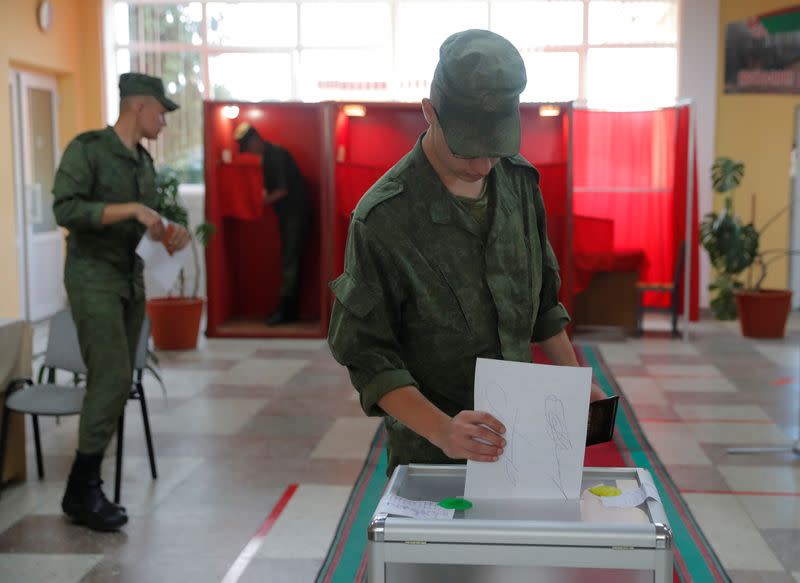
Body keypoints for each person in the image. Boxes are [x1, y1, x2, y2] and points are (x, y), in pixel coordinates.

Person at [327, 29, 605, 477]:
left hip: (524, 441)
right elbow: (367, 354)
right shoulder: (384, 218)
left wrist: (576, 380)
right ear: (429, 113)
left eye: (495, 148)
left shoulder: (518, 185)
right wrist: (442, 430)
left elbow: (543, 307)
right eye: (466, 148)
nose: (482, 165)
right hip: (432, 455)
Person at [52, 72, 190, 531]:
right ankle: (82, 487)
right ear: (138, 106)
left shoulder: (142, 163)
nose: (164, 123)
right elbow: (66, 209)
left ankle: (84, 487)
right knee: (111, 378)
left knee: (119, 379)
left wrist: (167, 232)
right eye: (160, 113)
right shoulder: (88, 149)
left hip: (129, 281)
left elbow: (142, 224)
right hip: (93, 278)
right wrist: (132, 210)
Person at [234, 123, 311, 325]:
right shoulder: (270, 155)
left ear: (255, 140)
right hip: (290, 215)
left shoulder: (276, 155)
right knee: (289, 260)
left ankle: (286, 312)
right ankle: (287, 310)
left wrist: (256, 203)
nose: (248, 151)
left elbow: (282, 190)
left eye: (247, 146)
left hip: (294, 215)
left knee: (290, 260)